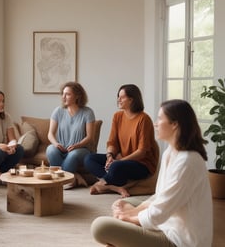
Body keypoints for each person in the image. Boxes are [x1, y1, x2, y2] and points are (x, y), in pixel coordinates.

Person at [91, 99, 213, 247]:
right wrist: (134, 211)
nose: (155, 123)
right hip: (166, 221)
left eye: (160, 119)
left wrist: (129, 218)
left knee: (100, 226)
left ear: (175, 124)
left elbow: (159, 212)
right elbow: (160, 197)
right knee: (121, 203)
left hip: (179, 239)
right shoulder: (170, 152)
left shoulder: (187, 161)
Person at [84, 84, 159, 197]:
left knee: (115, 167)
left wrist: (120, 161)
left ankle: (104, 182)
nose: (118, 100)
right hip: (120, 159)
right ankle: (114, 187)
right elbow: (112, 142)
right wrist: (110, 156)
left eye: (122, 97)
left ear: (132, 99)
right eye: (118, 96)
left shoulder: (144, 119)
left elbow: (142, 151)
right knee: (89, 158)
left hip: (142, 164)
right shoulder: (117, 116)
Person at [46, 81, 95, 189]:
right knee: (50, 149)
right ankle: (74, 176)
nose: (63, 97)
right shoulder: (58, 111)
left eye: (67, 94)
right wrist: (56, 144)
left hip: (80, 149)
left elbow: (90, 137)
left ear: (77, 96)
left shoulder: (88, 112)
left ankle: (61, 181)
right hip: (61, 148)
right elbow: (50, 134)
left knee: (73, 155)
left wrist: (76, 145)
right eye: (63, 94)